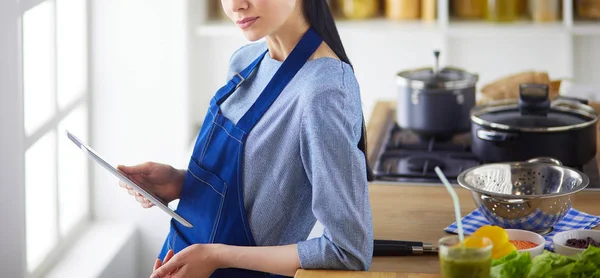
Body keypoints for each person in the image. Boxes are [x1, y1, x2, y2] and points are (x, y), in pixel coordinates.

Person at [117, 0, 374, 277]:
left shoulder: (324, 91)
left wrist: (217, 256)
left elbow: (348, 250)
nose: (236, 5)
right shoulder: (246, 61)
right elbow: (256, 187)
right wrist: (182, 182)